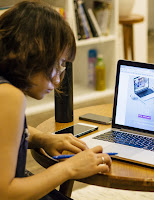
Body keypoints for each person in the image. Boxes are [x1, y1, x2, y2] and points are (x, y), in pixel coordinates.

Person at [0, 1, 112, 199]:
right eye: (59, 64)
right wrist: (70, 168)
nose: (58, 79)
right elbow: (6, 193)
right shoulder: (9, 96)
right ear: (35, 54)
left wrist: (43, 138)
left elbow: (5, 133)